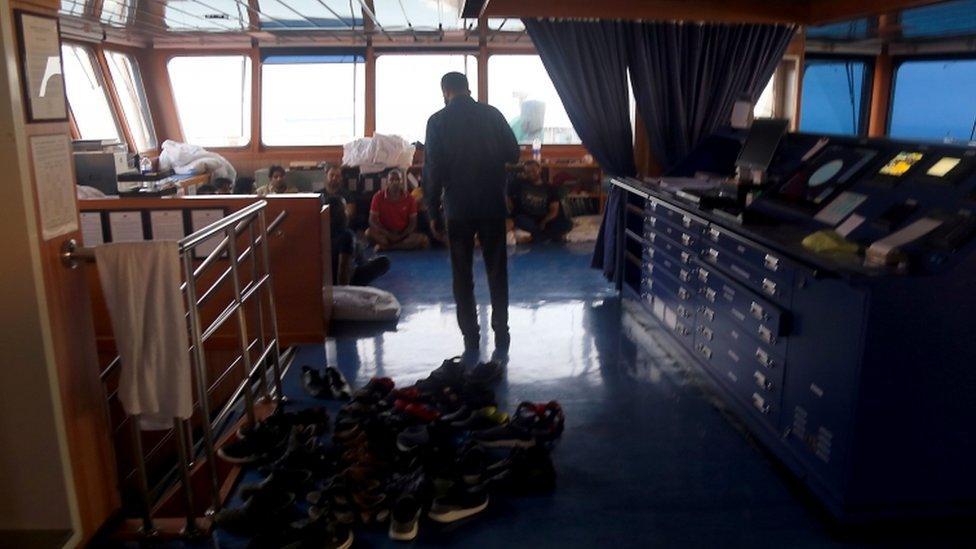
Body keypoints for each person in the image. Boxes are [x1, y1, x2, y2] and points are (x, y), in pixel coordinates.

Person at [424, 72, 520, 355]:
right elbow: (514, 154)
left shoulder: (437, 121)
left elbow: (432, 170)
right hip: (491, 203)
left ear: (445, 92)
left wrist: (432, 209)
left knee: (461, 273)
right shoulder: (492, 115)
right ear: (468, 89)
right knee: (497, 269)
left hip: (458, 207)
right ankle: (501, 330)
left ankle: (470, 335)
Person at [324, 196, 390, 286]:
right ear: (339, 214)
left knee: (358, 246)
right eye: (344, 210)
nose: (347, 213)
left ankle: (363, 261)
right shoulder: (346, 235)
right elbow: (342, 274)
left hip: (322, 283)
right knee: (384, 261)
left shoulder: (319, 231)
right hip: (340, 286)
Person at [508, 160, 573, 243]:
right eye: (528, 172)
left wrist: (544, 221)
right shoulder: (520, 184)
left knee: (567, 224)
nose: (531, 174)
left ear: (540, 169)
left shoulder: (550, 188)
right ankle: (546, 236)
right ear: (524, 173)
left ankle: (537, 237)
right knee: (518, 219)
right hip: (527, 218)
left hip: (545, 219)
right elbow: (507, 192)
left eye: (533, 170)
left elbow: (554, 210)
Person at [366, 169, 429, 251]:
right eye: (391, 180)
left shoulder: (410, 199)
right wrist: (388, 234)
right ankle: (399, 246)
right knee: (368, 233)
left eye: (397, 180)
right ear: (387, 182)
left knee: (423, 240)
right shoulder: (377, 197)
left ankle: (388, 247)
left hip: (403, 234)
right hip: (385, 233)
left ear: (402, 182)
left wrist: (401, 236)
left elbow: (413, 223)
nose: (395, 182)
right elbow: (372, 221)